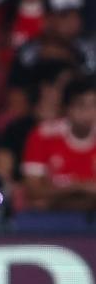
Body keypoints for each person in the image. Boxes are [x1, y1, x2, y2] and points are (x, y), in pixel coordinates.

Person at [21, 75, 96, 211]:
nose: (89, 113)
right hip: (51, 220)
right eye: (81, 105)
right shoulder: (43, 135)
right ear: (67, 109)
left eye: (94, 105)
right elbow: (33, 190)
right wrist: (78, 187)